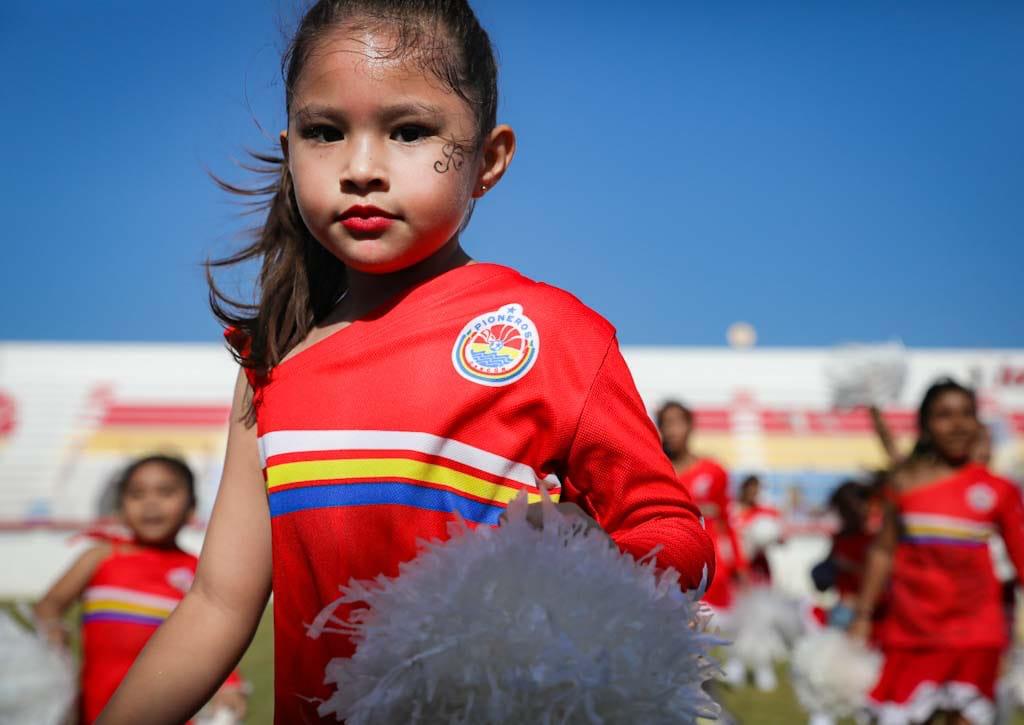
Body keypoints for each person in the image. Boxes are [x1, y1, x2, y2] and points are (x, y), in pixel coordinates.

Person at [97, 3, 715, 722]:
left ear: (488, 159)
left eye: (409, 131)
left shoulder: (552, 332)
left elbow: (675, 534)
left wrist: (582, 564)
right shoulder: (271, 357)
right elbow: (216, 603)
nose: (361, 168)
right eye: (324, 132)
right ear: (290, 147)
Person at [851, 380, 1024, 725]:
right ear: (926, 424)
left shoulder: (998, 490)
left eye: (967, 414)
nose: (958, 425)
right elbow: (882, 551)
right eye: (945, 416)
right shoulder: (903, 483)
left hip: (977, 634)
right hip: (911, 631)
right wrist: (863, 615)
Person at [33, 455, 246, 724]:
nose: (150, 503)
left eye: (166, 492)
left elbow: (216, 640)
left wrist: (230, 685)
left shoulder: (199, 571)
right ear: (120, 507)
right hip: (96, 712)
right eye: (136, 494)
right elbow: (49, 605)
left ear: (192, 506)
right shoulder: (100, 556)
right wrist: (52, 630)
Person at [657, 400, 747, 610]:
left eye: (677, 422)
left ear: (690, 426)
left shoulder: (714, 471)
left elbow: (727, 521)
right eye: (665, 423)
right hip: (668, 572)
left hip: (712, 573)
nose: (671, 430)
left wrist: (740, 567)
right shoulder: (655, 473)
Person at [732, 474, 782, 584]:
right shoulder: (731, 510)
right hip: (734, 566)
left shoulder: (765, 513)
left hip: (758, 566)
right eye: (750, 489)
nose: (753, 493)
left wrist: (772, 537)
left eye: (756, 490)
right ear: (743, 489)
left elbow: (781, 538)